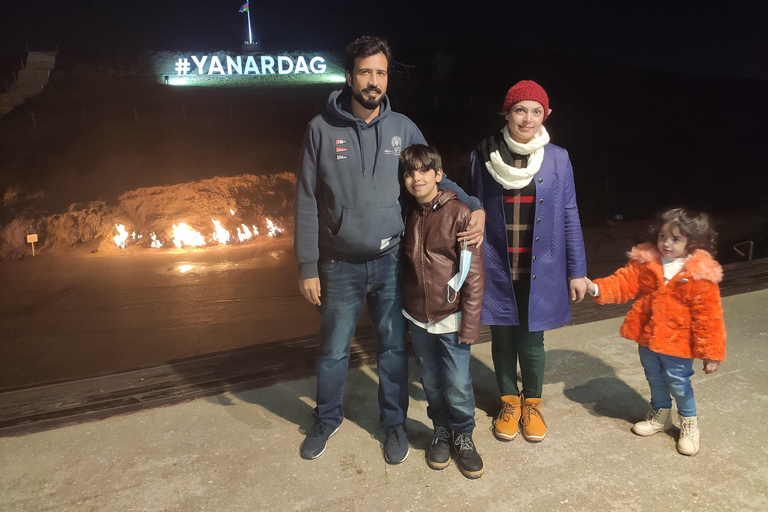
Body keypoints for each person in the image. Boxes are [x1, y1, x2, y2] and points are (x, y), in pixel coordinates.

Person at [294, 36, 486, 463]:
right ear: (349, 76)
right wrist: (307, 265)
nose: (373, 80)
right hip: (338, 264)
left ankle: (393, 422)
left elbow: (433, 176)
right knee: (333, 349)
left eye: (381, 72)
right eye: (365, 71)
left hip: (390, 262)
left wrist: (474, 207)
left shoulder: (403, 128)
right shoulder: (320, 129)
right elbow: (306, 199)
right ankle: (327, 418)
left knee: (393, 348)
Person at [464, 80, 588, 444]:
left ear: (545, 115)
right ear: (507, 113)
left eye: (536, 111)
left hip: (541, 267)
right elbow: (471, 209)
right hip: (497, 264)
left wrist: (577, 270)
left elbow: (569, 213)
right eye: (520, 109)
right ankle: (508, 402)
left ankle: (531, 402)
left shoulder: (558, 157)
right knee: (501, 339)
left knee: (532, 342)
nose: (527, 118)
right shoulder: (484, 154)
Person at [584, 208, 726, 456]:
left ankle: (689, 424)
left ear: (691, 242)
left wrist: (711, 353)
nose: (666, 243)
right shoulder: (647, 263)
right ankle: (659, 416)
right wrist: (596, 288)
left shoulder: (699, 275)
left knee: (679, 383)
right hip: (648, 337)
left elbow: (709, 317)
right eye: (662, 236)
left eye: (675, 239)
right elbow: (623, 282)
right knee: (654, 378)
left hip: (678, 343)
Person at [398, 145, 485, 478]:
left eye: (423, 171)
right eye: (409, 173)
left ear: (438, 174)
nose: (416, 178)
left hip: (452, 319)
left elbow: (474, 276)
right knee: (431, 382)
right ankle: (441, 429)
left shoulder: (459, 214)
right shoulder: (408, 214)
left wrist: (470, 323)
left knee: (458, 384)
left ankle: (463, 435)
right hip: (417, 319)